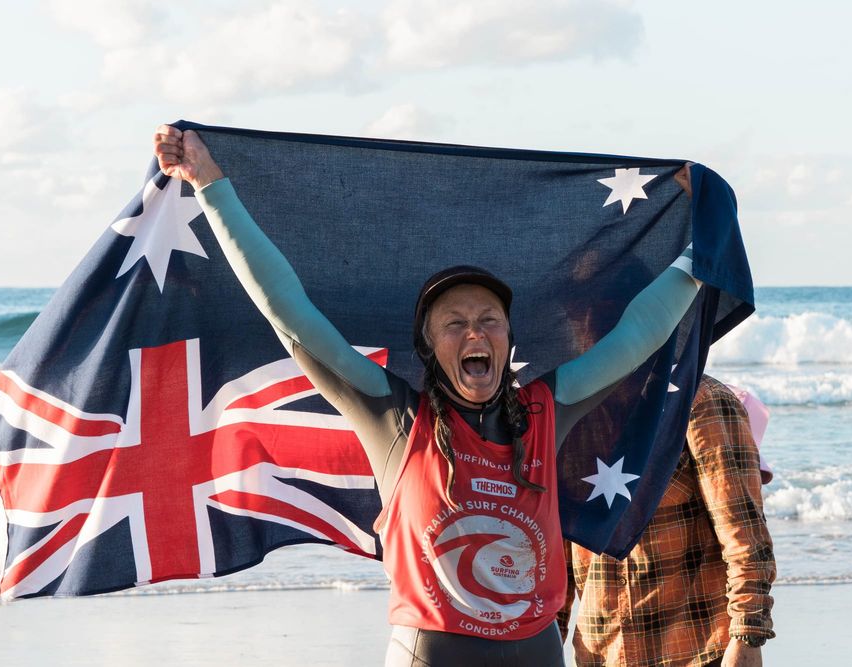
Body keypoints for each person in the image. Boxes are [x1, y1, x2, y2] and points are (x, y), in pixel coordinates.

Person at [153, 125, 703, 666]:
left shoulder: (544, 412)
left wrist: (706, 243)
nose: (474, 333)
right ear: (427, 345)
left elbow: (639, 335)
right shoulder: (394, 415)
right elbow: (288, 309)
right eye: (454, 323)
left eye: (490, 320)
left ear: (510, 339)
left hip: (538, 652)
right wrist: (210, 184)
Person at [558, 375, 776, 667]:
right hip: (600, 654)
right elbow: (555, 562)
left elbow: (743, 533)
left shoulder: (699, 400)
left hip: (696, 653)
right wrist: (544, 644)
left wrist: (748, 633)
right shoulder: (569, 409)